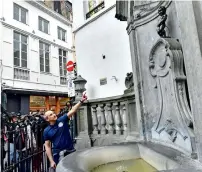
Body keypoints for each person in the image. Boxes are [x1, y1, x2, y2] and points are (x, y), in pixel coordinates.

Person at [43, 92, 87, 169]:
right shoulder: (46, 131)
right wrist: (51, 161)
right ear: (47, 119)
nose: (54, 115)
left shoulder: (62, 120)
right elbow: (47, 146)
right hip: (58, 154)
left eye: (53, 113)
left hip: (70, 151)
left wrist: (81, 101)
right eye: (51, 115)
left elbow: (72, 110)